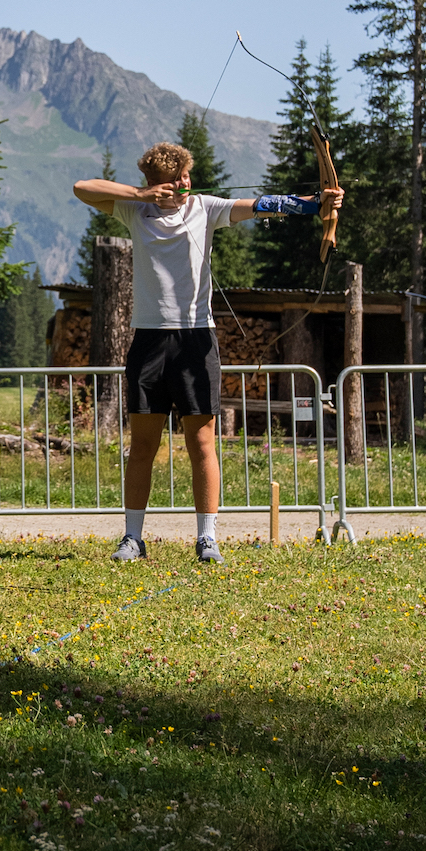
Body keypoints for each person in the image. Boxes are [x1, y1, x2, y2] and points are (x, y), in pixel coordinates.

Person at [73, 140, 343, 564]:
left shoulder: (205, 208)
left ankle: (207, 538)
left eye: (185, 176)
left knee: (202, 441)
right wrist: (141, 195)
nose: (183, 184)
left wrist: (315, 204)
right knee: (143, 445)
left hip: (197, 338)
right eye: (173, 179)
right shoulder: (135, 211)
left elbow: (260, 205)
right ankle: (132, 537)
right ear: (155, 183)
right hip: (149, 338)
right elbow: (81, 187)